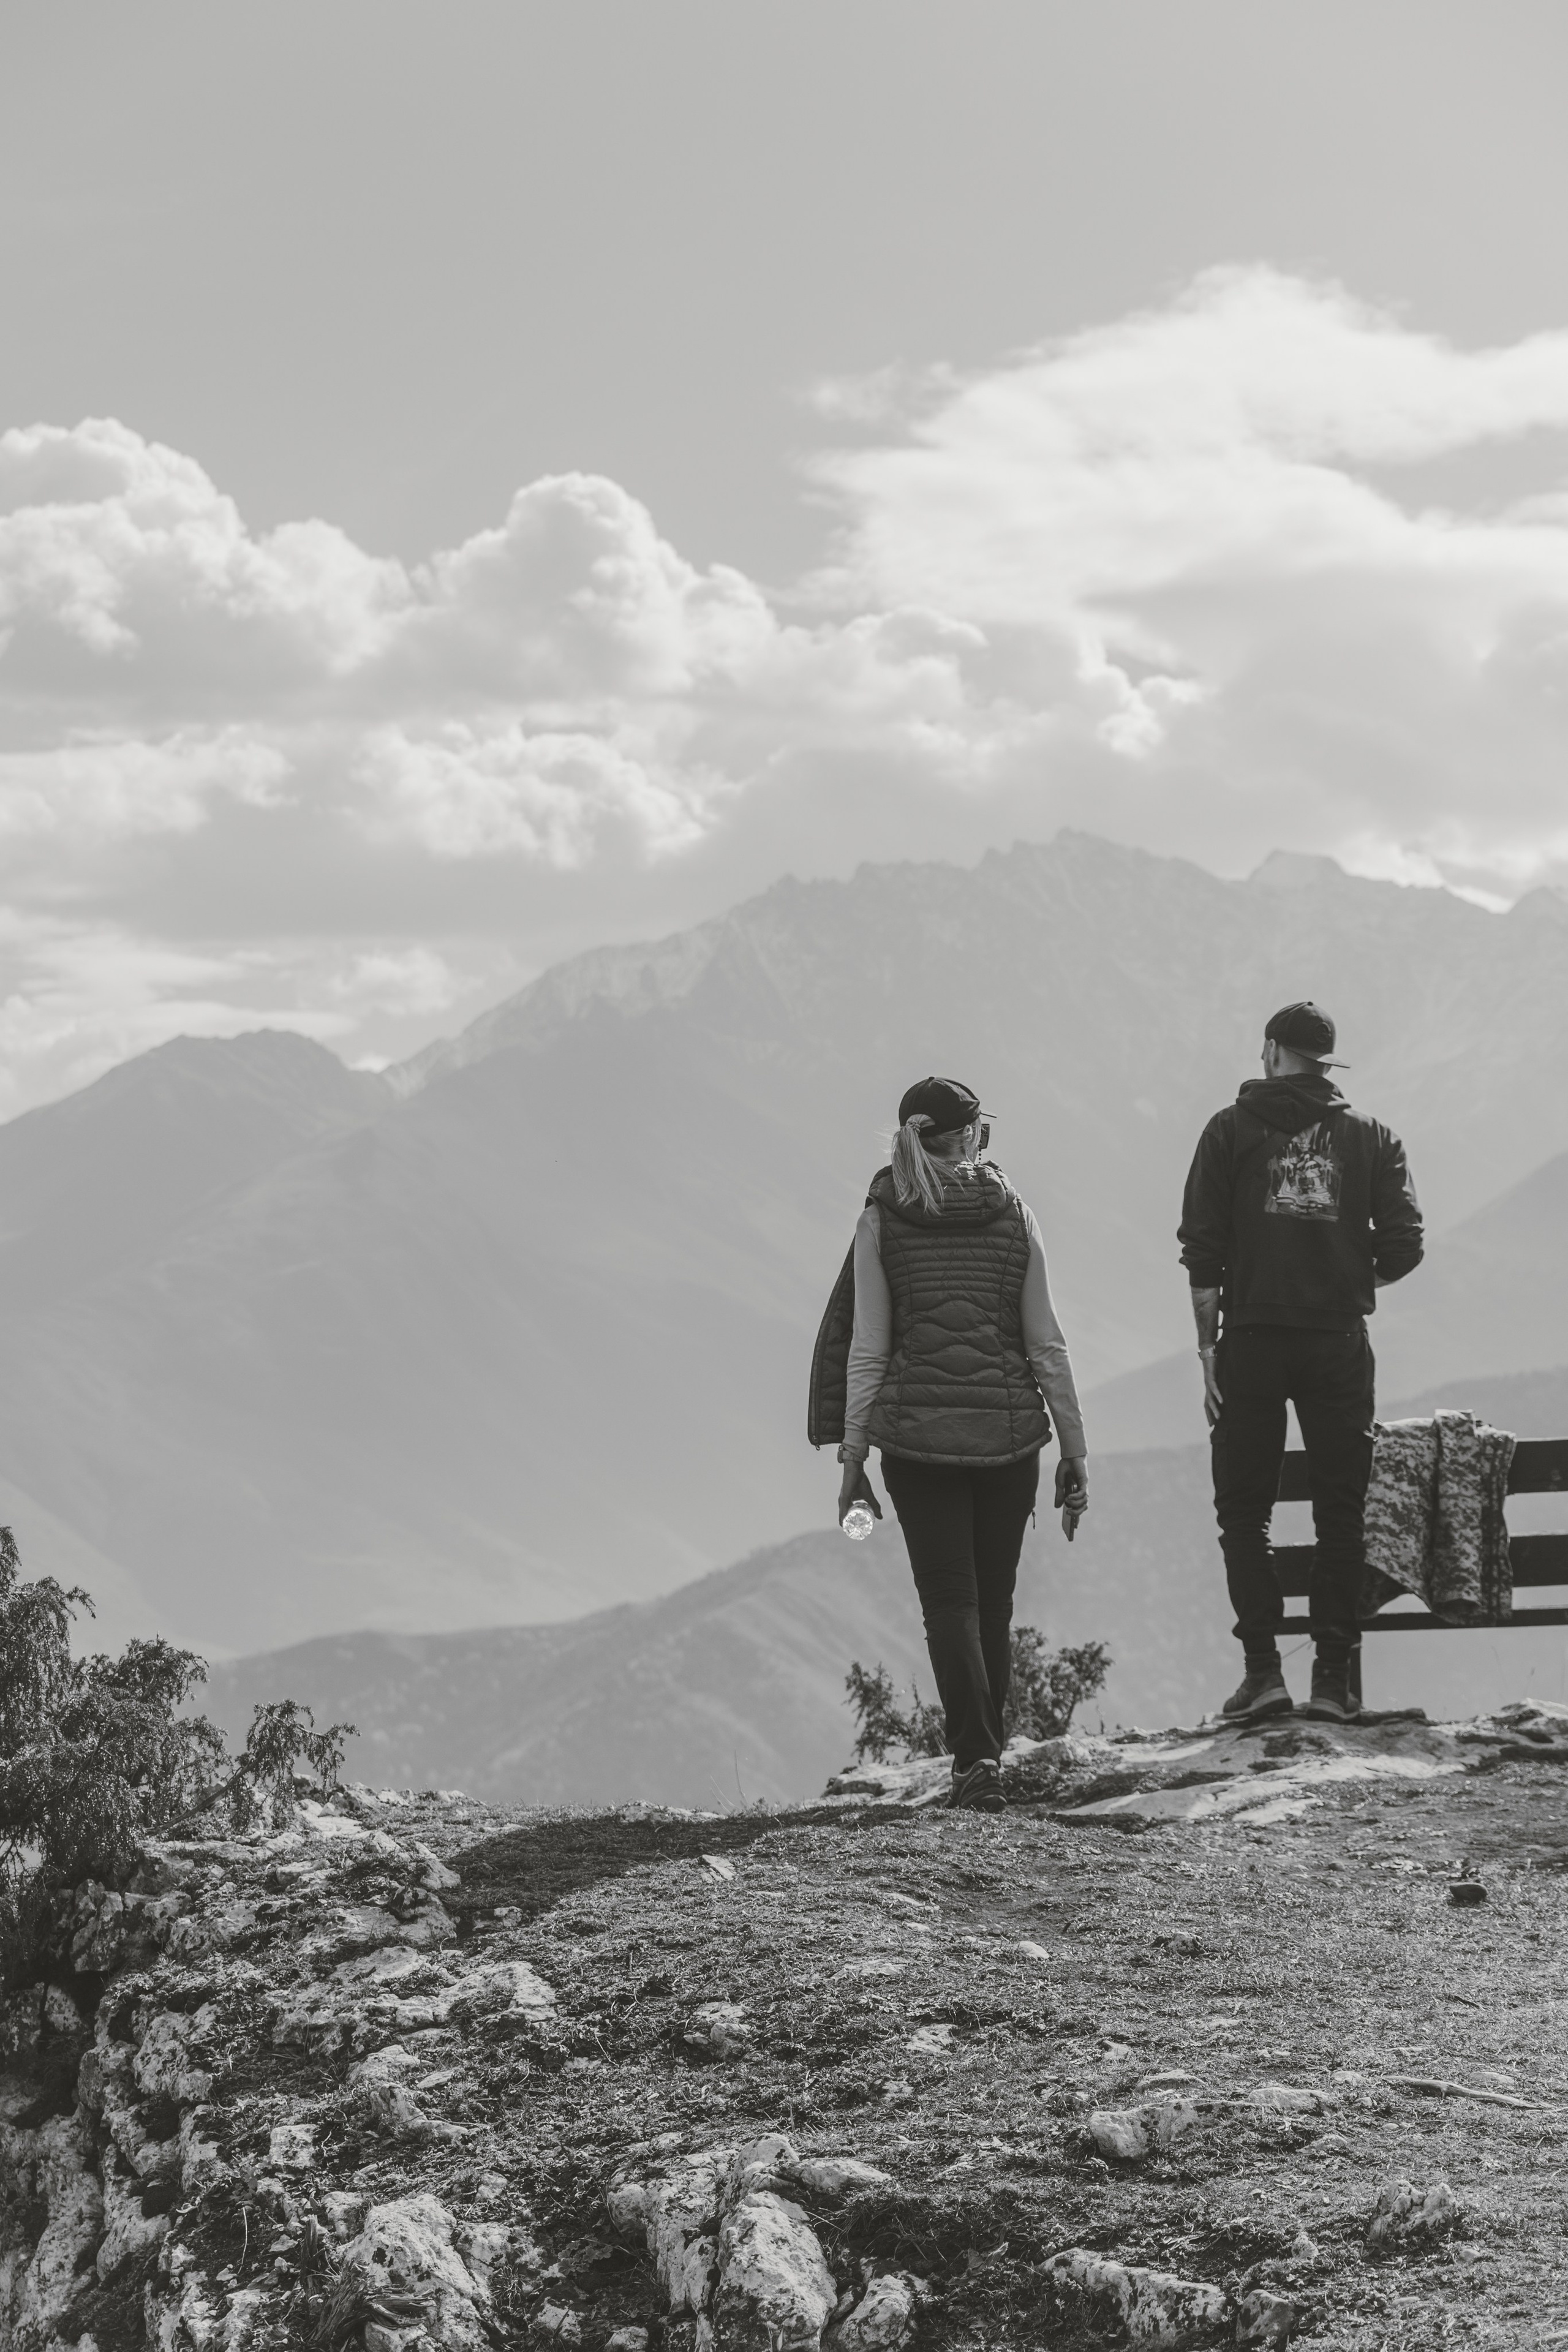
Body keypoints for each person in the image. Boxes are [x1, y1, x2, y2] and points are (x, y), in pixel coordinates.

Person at [832, 1076, 1088, 1811]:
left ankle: (975, 1763)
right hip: (1010, 1441)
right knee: (995, 1601)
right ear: (972, 1137)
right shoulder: (1014, 1215)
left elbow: (868, 1351)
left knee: (949, 1603)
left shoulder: (880, 1220)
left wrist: (853, 1459)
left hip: (916, 1446)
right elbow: (1046, 1345)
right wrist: (1073, 1446)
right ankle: (987, 1760)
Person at [1178, 1001, 1424, 1725]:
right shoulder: (1372, 1137)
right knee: (1339, 1514)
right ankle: (1331, 1682)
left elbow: (1202, 1253)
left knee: (1243, 1513)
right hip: (1338, 1344)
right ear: (1325, 1063)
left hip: (1250, 1343)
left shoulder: (1227, 1132)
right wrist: (1344, 1284)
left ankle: (1261, 1676)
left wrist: (1206, 1351)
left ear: (1271, 1051)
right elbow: (1404, 1246)